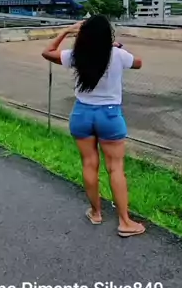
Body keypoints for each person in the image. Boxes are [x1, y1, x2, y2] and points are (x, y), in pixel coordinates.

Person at [42, 15, 145, 237]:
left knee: (89, 164)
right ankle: (125, 222)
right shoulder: (117, 55)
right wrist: (117, 47)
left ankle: (96, 213)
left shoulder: (77, 55)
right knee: (115, 168)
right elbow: (138, 63)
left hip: (82, 114)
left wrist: (67, 31)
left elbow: (47, 52)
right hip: (109, 116)